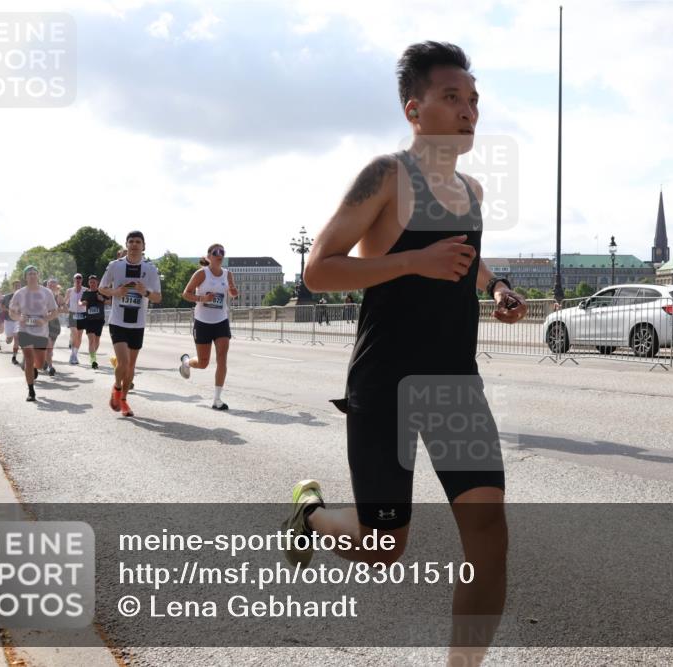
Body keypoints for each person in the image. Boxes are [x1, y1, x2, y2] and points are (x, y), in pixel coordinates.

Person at [282, 41, 528, 665]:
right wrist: (415, 261)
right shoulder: (385, 176)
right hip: (387, 381)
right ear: (414, 109)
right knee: (383, 546)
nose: (469, 111)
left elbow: (464, 259)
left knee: (489, 541)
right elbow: (319, 270)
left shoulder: (471, 189)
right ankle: (310, 515)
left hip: (455, 384)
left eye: (473, 99)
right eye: (452, 97)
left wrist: (495, 286)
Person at [97, 231, 161, 417]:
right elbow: (101, 288)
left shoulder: (150, 269)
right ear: (126, 245)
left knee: (131, 367)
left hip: (138, 324)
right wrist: (116, 292)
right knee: (123, 362)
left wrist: (145, 292)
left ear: (143, 246)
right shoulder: (115, 265)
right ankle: (117, 388)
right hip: (118, 321)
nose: (134, 245)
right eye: (131, 241)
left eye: (138, 242)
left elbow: (158, 297)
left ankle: (124, 400)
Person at [178, 243, 239, 410]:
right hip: (202, 322)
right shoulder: (201, 273)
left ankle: (217, 399)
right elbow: (186, 293)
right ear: (209, 256)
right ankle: (186, 362)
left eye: (222, 252)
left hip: (221, 321)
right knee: (203, 363)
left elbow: (232, 293)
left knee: (222, 358)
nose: (219, 254)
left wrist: (233, 291)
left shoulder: (228, 274)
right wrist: (202, 299)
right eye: (215, 252)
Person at [9, 265, 56, 402]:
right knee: (29, 359)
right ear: (25, 277)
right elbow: (12, 312)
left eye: (34, 273)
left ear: (38, 276)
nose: (32, 275)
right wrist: (19, 318)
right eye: (29, 273)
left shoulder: (47, 292)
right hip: (24, 330)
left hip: (41, 331)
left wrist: (45, 320)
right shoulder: (20, 293)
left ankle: (35, 368)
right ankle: (31, 391)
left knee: (39, 364)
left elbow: (55, 311)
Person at [79, 274, 107, 369]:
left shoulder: (101, 291)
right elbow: (81, 301)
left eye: (94, 282)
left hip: (99, 319)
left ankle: (93, 354)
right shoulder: (86, 293)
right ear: (88, 283)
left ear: (97, 282)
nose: (92, 284)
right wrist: (82, 303)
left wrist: (102, 299)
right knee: (91, 340)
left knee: (97, 340)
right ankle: (93, 360)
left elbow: (110, 301)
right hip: (89, 319)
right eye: (91, 282)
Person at [65, 273, 87, 365]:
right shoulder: (69, 290)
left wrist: (84, 303)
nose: (78, 280)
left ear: (82, 280)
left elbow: (88, 301)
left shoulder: (86, 290)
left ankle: (74, 355)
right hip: (72, 314)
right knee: (75, 334)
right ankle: (73, 355)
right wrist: (65, 308)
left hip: (82, 314)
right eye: (76, 278)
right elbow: (65, 302)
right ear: (73, 280)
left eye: (79, 278)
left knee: (79, 336)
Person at [2, 280, 22, 364]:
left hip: (18, 320)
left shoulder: (24, 296)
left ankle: (14, 357)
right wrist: (10, 310)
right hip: (8, 320)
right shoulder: (7, 297)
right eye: (16, 286)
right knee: (9, 340)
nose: (18, 287)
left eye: (19, 286)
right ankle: (8, 338)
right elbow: (2, 307)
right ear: (12, 287)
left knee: (16, 338)